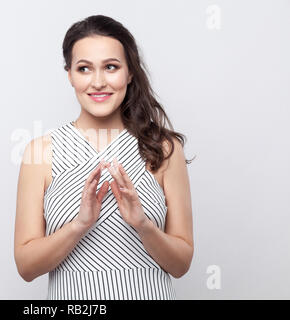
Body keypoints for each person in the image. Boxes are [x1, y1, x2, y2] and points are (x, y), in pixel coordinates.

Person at [14, 15, 194, 300]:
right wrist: (79, 226)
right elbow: (26, 267)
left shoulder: (163, 148)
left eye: (111, 67)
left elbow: (181, 264)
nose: (98, 82)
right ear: (70, 75)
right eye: (84, 68)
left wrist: (143, 225)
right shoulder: (40, 152)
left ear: (130, 73)